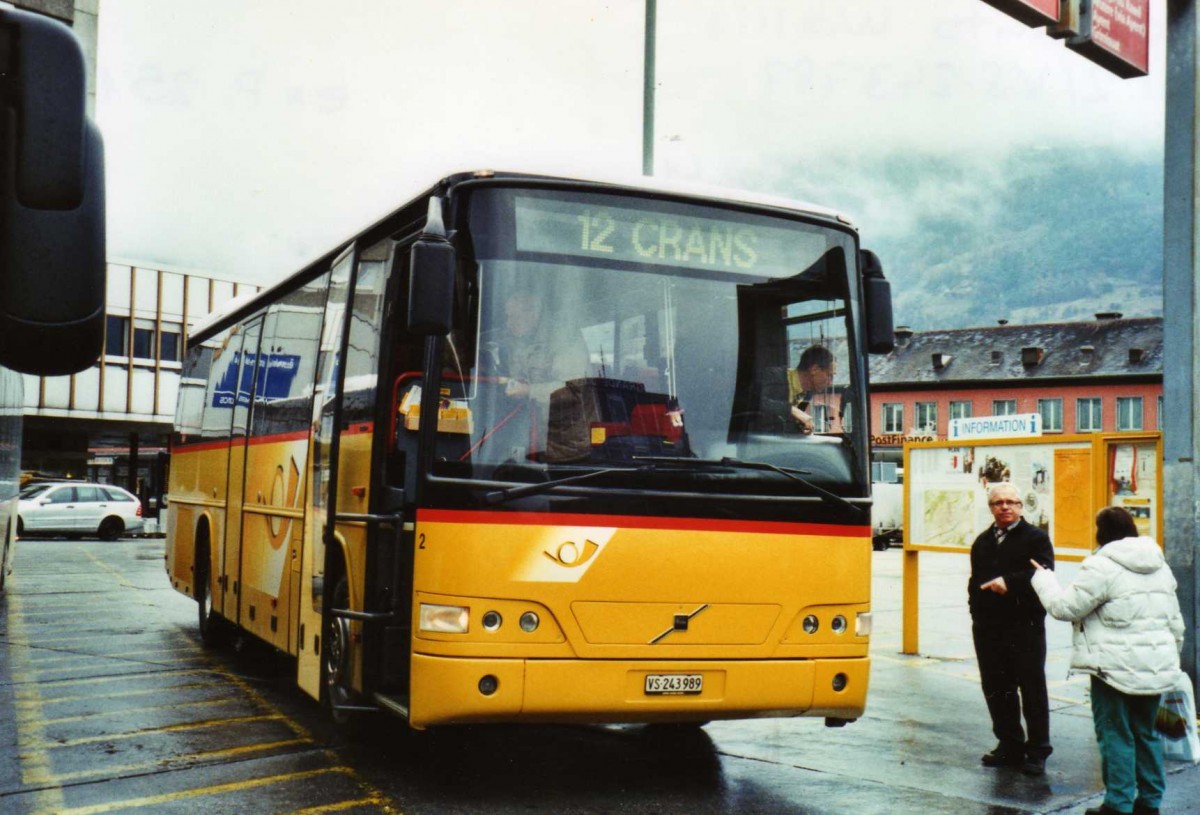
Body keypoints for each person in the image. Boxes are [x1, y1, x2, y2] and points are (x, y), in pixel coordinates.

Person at [1030, 507, 1184, 815]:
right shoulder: (1159, 565)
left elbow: (1064, 608)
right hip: (1155, 665)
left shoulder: (1101, 565)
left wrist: (1044, 578)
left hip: (1112, 669)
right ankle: (1150, 802)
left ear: (1101, 532)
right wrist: (1167, 658)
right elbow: (1175, 622)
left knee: (1115, 733)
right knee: (1146, 732)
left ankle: (1118, 803)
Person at [968, 482, 1055, 775]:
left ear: (1021, 506)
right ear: (990, 508)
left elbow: (1043, 574)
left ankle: (1038, 750)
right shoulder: (982, 541)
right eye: (998, 503)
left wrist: (1010, 582)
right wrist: (976, 614)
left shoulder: (1036, 538)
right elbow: (974, 582)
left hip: (1024, 627)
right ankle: (1010, 745)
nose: (1004, 507)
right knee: (997, 688)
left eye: (1010, 502)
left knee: (1031, 689)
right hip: (989, 629)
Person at [789, 344, 838, 433]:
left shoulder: (803, 394)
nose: (830, 382)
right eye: (829, 375)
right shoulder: (778, 377)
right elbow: (762, 403)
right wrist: (797, 413)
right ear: (814, 369)